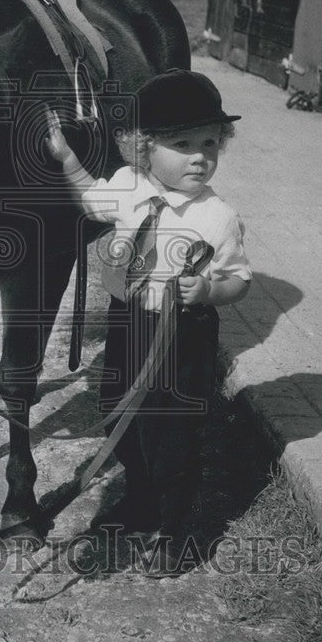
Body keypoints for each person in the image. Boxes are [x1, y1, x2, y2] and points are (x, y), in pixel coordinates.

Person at [45, 69, 251, 576]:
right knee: (118, 413)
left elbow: (239, 279)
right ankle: (139, 499)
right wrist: (68, 159)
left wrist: (210, 290)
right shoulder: (127, 186)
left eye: (210, 142)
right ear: (144, 147)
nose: (200, 156)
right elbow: (91, 197)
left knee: (173, 433)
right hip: (130, 323)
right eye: (182, 144)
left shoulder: (217, 216)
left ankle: (176, 529)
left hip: (185, 335)